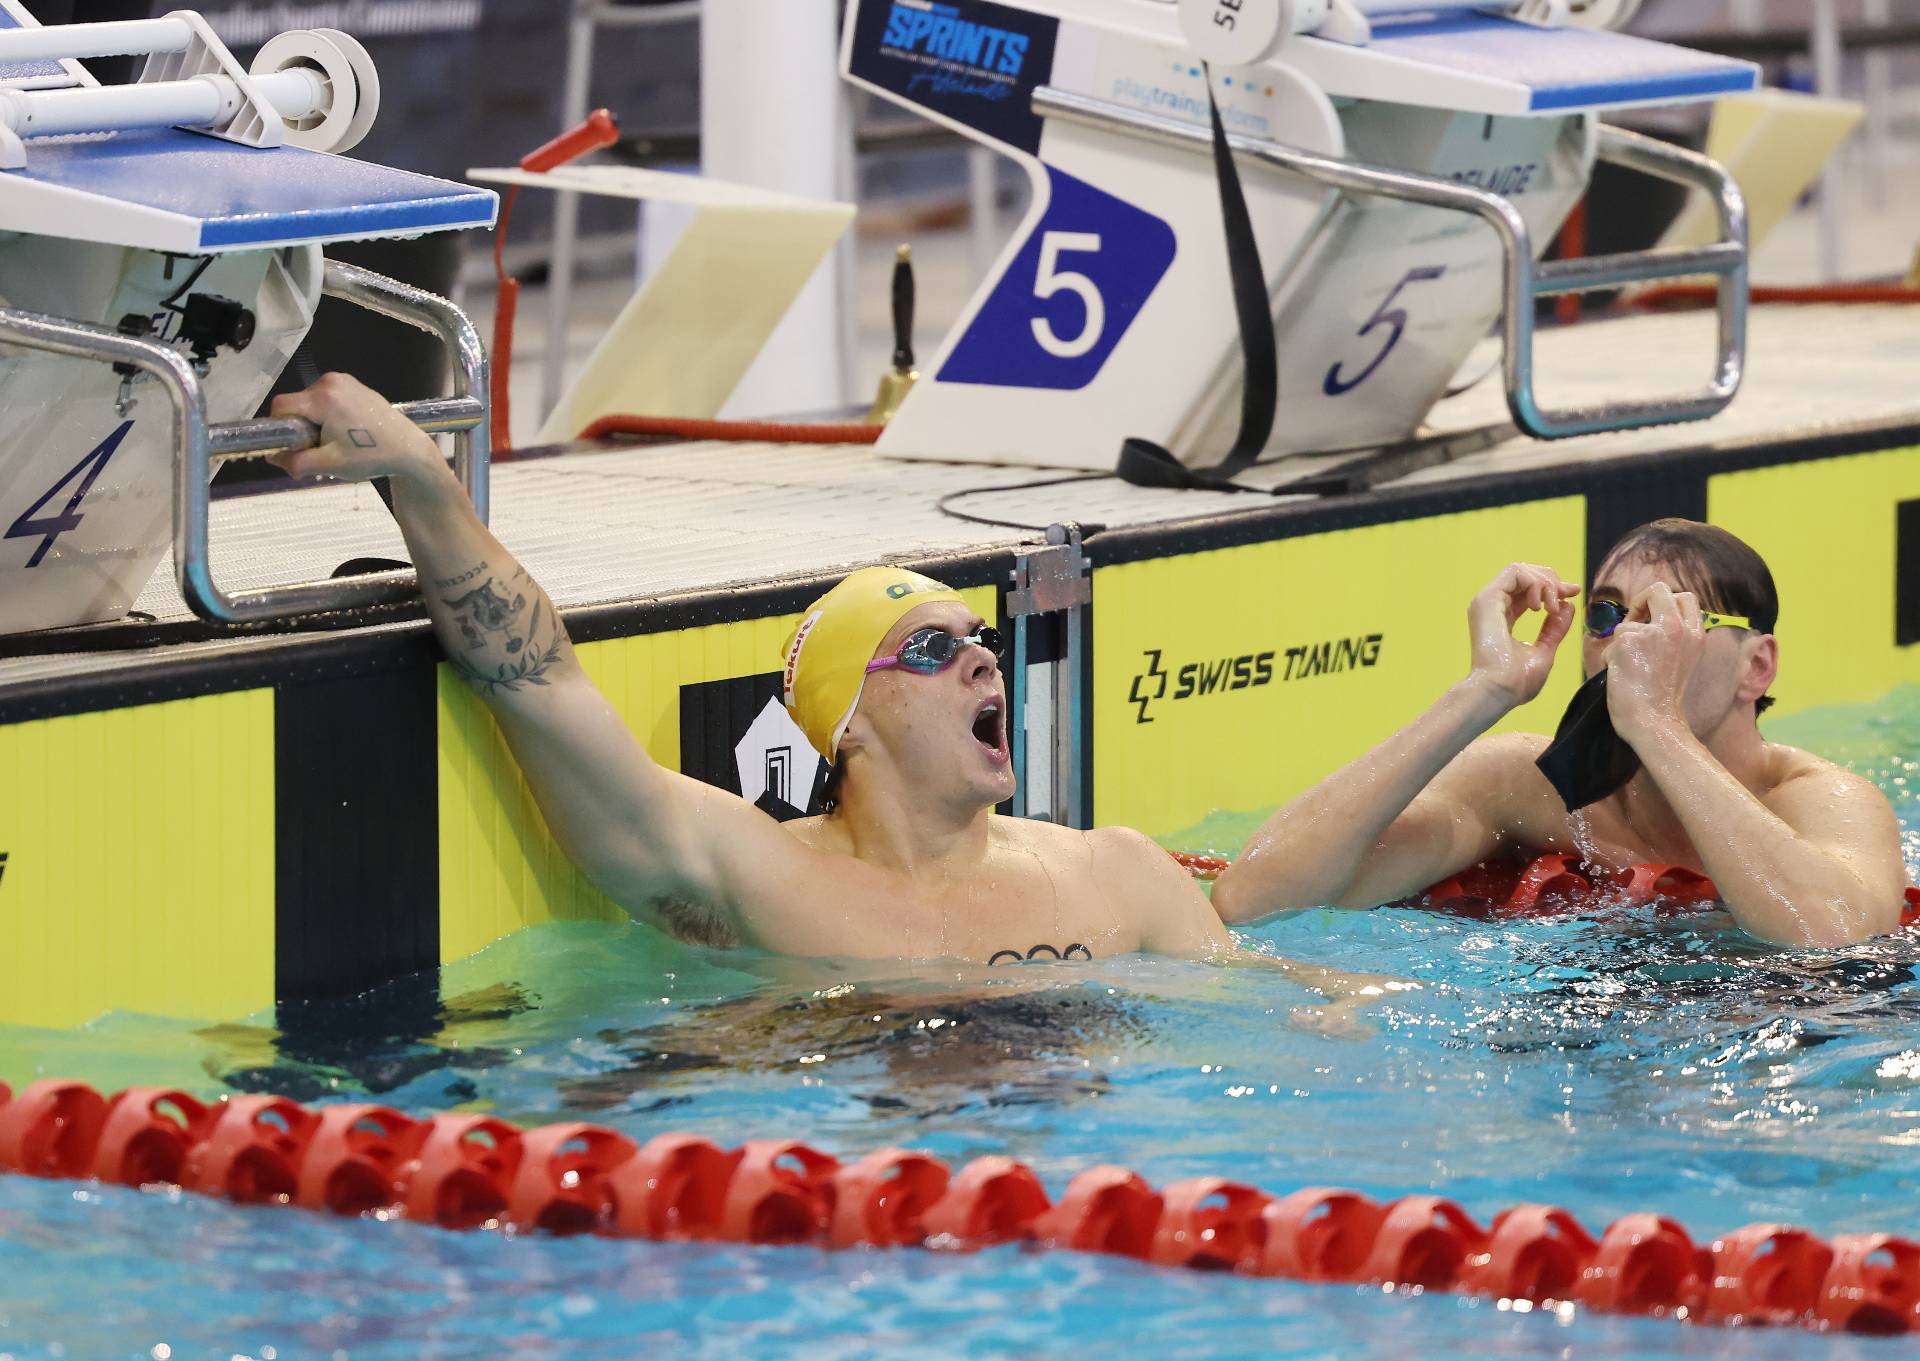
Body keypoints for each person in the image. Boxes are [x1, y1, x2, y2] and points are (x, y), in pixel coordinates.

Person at [271, 374, 1391, 1015]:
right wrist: (419, 476)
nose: (981, 658)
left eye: (979, 639)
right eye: (927, 649)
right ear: (844, 723)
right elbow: (536, 677)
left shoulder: (1119, 869)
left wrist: (1345, 1003)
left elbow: (1281, 998)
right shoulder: (752, 871)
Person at [1212, 519, 1909, 948]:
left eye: (1664, 619)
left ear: (1755, 665)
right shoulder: (1536, 786)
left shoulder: (1818, 800)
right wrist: (1481, 693)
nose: (1624, 643)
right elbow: (1258, 900)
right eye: (1606, 616)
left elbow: (1830, 938)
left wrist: (1657, 725)